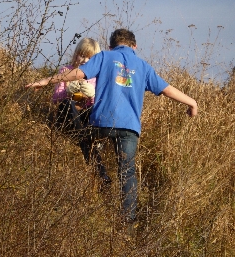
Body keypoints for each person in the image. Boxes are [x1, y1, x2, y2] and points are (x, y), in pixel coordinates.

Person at [26, 28, 198, 229]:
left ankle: (101, 174)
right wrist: (192, 102)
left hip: (102, 122)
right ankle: (127, 222)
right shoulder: (143, 66)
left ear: (111, 46)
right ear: (135, 46)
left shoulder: (104, 56)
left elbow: (77, 74)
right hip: (129, 127)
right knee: (127, 172)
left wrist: (47, 80)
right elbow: (167, 89)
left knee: (85, 140)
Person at [50, 38, 109, 183]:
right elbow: (55, 99)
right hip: (67, 118)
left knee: (96, 111)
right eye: (82, 55)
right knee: (67, 104)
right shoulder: (66, 71)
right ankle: (88, 141)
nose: (84, 60)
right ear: (76, 54)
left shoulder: (97, 77)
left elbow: (101, 103)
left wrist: (92, 96)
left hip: (85, 119)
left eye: (90, 57)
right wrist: (68, 92)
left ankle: (101, 173)